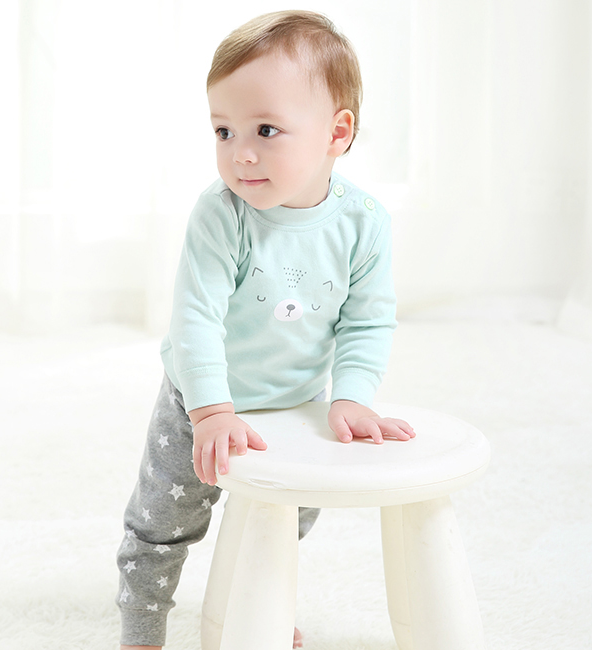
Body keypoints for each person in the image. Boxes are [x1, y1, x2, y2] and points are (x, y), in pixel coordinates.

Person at [117, 10, 415, 649]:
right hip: (199, 399)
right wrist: (210, 411)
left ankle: (257, 609)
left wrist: (351, 396)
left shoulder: (364, 223)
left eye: (266, 130)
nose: (240, 153)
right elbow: (195, 316)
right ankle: (142, 629)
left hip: (293, 403)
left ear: (337, 133)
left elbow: (367, 319)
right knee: (163, 520)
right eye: (223, 130)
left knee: (282, 522)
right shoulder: (221, 214)